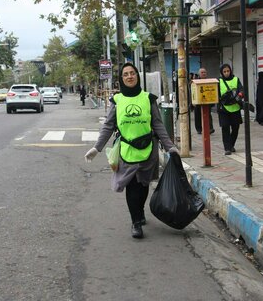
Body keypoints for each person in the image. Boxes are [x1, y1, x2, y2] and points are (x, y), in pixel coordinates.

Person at [84, 63, 178, 239]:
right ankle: (135, 222)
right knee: (132, 186)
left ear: (137, 76)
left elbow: (157, 124)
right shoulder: (117, 100)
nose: (129, 77)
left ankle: (140, 211)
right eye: (126, 74)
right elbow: (109, 126)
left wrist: (169, 146)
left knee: (143, 186)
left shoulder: (148, 98)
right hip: (126, 151)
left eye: (132, 73)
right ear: (122, 79)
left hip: (148, 150)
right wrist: (97, 148)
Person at [217, 64, 243, 155]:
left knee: (236, 128)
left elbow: (241, 90)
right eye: (224, 71)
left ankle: (231, 144)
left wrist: (239, 95)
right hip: (224, 109)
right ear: (222, 72)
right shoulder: (218, 81)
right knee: (225, 128)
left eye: (228, 71)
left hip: (235, 108)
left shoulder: (236, 79)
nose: (226, 73)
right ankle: (227, 148)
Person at [194, 68, 215, 135]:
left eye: (205, 72)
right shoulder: (195, 81)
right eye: (202, 72)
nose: (203, 74)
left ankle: (210, 128)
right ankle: (199, 129)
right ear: (199, 74)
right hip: (198, 102)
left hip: (207, 101)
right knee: (198, 115)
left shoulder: (209, 81)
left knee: (208, 115)